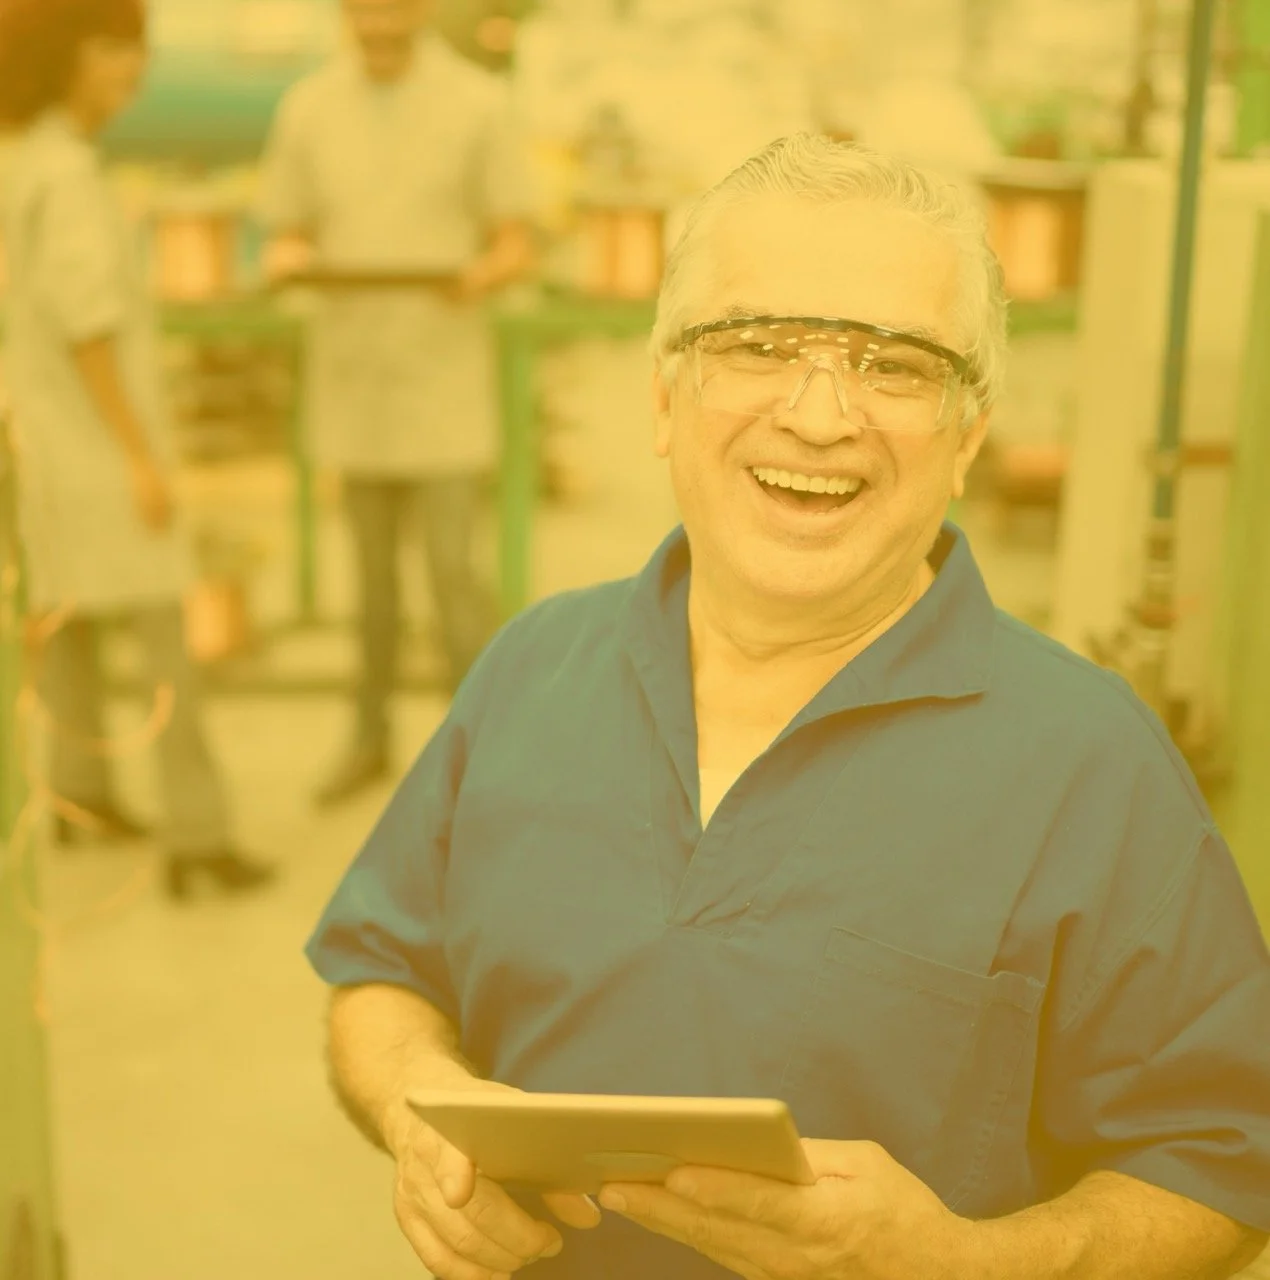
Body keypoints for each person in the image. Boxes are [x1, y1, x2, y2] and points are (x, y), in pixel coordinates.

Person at [303, 136, 1270, 1279]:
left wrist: (967, 1261)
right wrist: (421, 1106)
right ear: (664, 398)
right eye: (756, 345)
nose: (818, 415)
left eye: (895, 364)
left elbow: (1222, 1161)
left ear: (966, 436)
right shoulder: (533, 664)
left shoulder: (1087, 760)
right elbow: (382, 972)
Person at [0, 0, 273, 900]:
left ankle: (80, 798)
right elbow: (89, 326)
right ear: (66, 58)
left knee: (65, 618)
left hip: (35, 445)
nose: (134, 71)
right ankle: (199, 837)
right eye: (115, 50)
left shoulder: (16, 160)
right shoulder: (68, 174)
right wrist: (140, 456)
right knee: (167, 642)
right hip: (94, 445)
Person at [256, 0, 537, 809]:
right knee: (370, 585)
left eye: (393, 10)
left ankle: (486, 754)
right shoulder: (308, 107)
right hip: (355, 377)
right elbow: (286, 226)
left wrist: (479, 276)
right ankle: (369, 738)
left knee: (456, 578)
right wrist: (290, 257)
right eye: (362, 11)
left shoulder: (477, 105)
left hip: (440, 378)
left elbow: (515, 240)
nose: (377, 25)